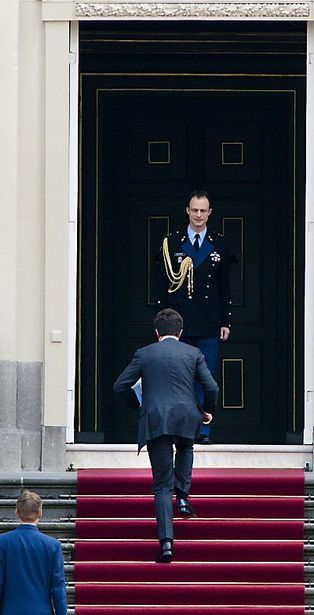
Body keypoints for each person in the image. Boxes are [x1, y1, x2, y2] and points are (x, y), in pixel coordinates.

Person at [113, 308, 219, 562]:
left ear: (157, 331)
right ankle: (182, 497)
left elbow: (120, 386)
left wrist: (138, 405)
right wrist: (207, 411)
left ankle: (166, 544)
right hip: (186, 416)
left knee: (161, 484)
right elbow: (211, 386)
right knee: (185, 448)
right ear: (180, 333)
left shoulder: (145, 353)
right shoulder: (193, 353)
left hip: (156, 418)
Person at [153, 190, 233, 444]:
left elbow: (225, 286)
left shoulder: (220, 243)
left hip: (209, 321)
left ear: (210, 213)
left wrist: (225, 321)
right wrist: (163, 323)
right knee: (178, 375)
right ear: (187, 211)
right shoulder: (172, 243)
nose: (198, 215)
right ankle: (180, 428)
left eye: (203, 210)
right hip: (179, 322)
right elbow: (161, 285)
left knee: (205, 375)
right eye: (194, 210)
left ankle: (203, 429)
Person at [0, 490, 67, 615]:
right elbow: (58, 589)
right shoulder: (52, 545)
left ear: (17, 512)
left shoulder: (1, 543)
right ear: (40, 513)